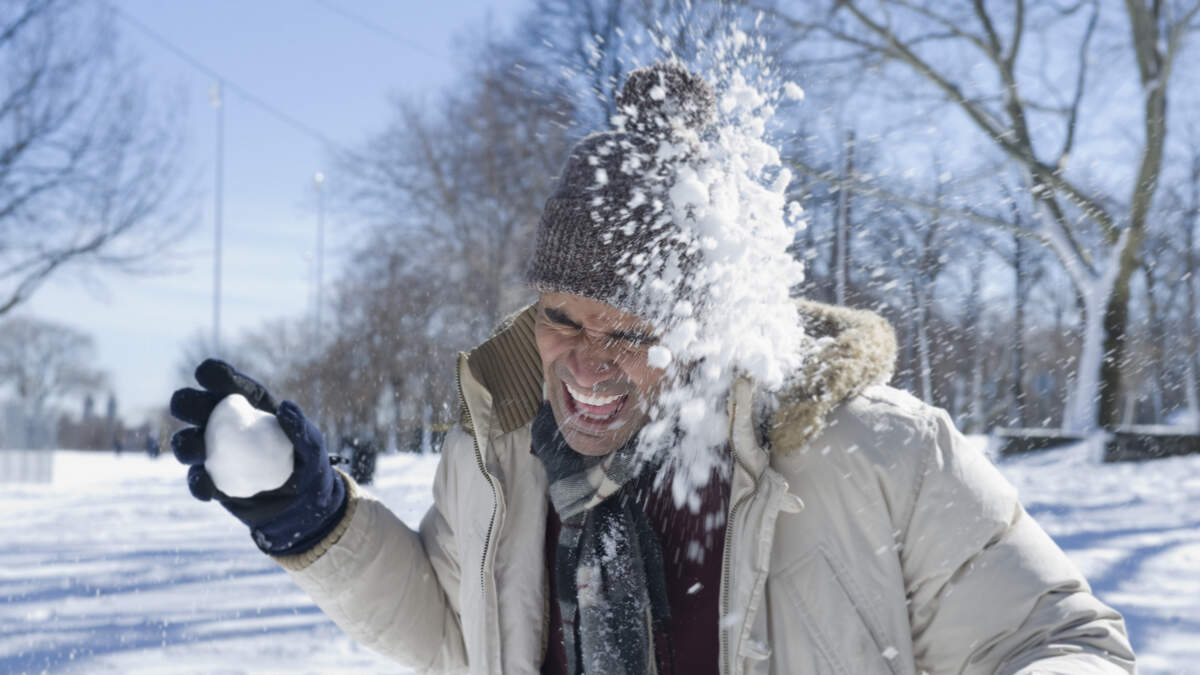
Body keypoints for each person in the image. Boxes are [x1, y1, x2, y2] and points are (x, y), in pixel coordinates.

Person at [170, 63, 1135, 674]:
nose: (586, 360)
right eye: (561, 318)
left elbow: (1059, 640)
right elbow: (457, 636)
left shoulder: (875, 454)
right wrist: (315, 518)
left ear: (713, 328)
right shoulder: (502, 459)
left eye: (632, 331)